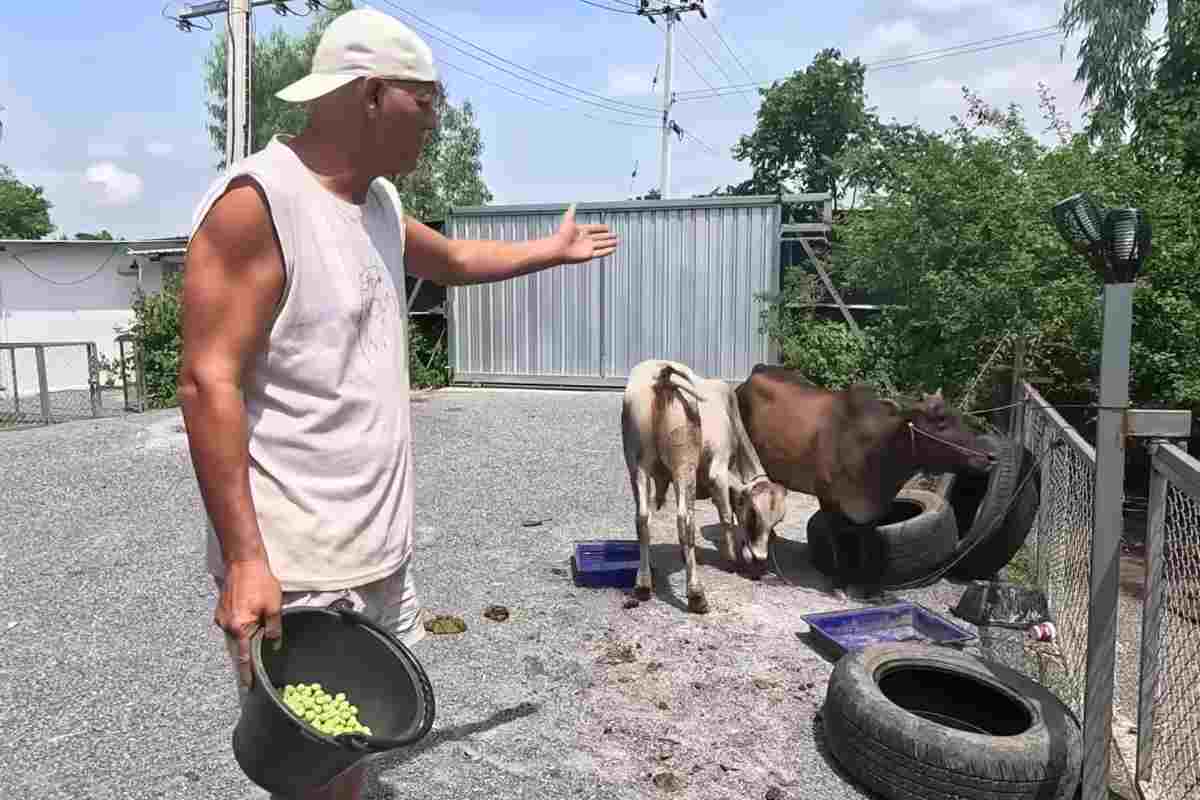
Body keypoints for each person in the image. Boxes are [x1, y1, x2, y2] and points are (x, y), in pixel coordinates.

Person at [178, 7, 619, 799]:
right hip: (298, 564)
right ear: (374, 95)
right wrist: (245, 561)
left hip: (377, 548)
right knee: (307, 769)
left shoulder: (373, 199)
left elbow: (447, 258)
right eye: (430, 101)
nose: (437, 121)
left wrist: (550, 252)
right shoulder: (259, 203)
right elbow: (206, 381)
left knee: (353, 758)